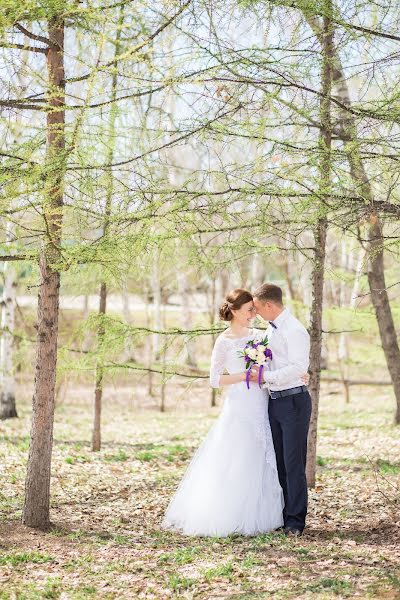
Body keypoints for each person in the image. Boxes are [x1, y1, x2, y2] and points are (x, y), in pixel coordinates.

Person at [162, 288, 284, 537]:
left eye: (254, 308)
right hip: (240, 403)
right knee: (239, 454)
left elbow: (273, 364)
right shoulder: (224, 341)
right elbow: (215, 379)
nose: (254, 313)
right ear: (236, 311)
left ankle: (267, 513)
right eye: (249, 309)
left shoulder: (260, 335)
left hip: (262, 400)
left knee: (262, 453)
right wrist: (244, 376)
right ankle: (234, 513)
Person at [251, 283, 311, 537]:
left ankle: (296, 522)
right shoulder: (271, 328)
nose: (256, 312)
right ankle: (285, 515)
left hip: (294, 402)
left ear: (269, 305)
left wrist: (266, 377)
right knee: (280, 464)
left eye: (257, 308)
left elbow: (298, 368)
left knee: (293, 463)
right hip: (275, 402)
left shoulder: (295, 330)